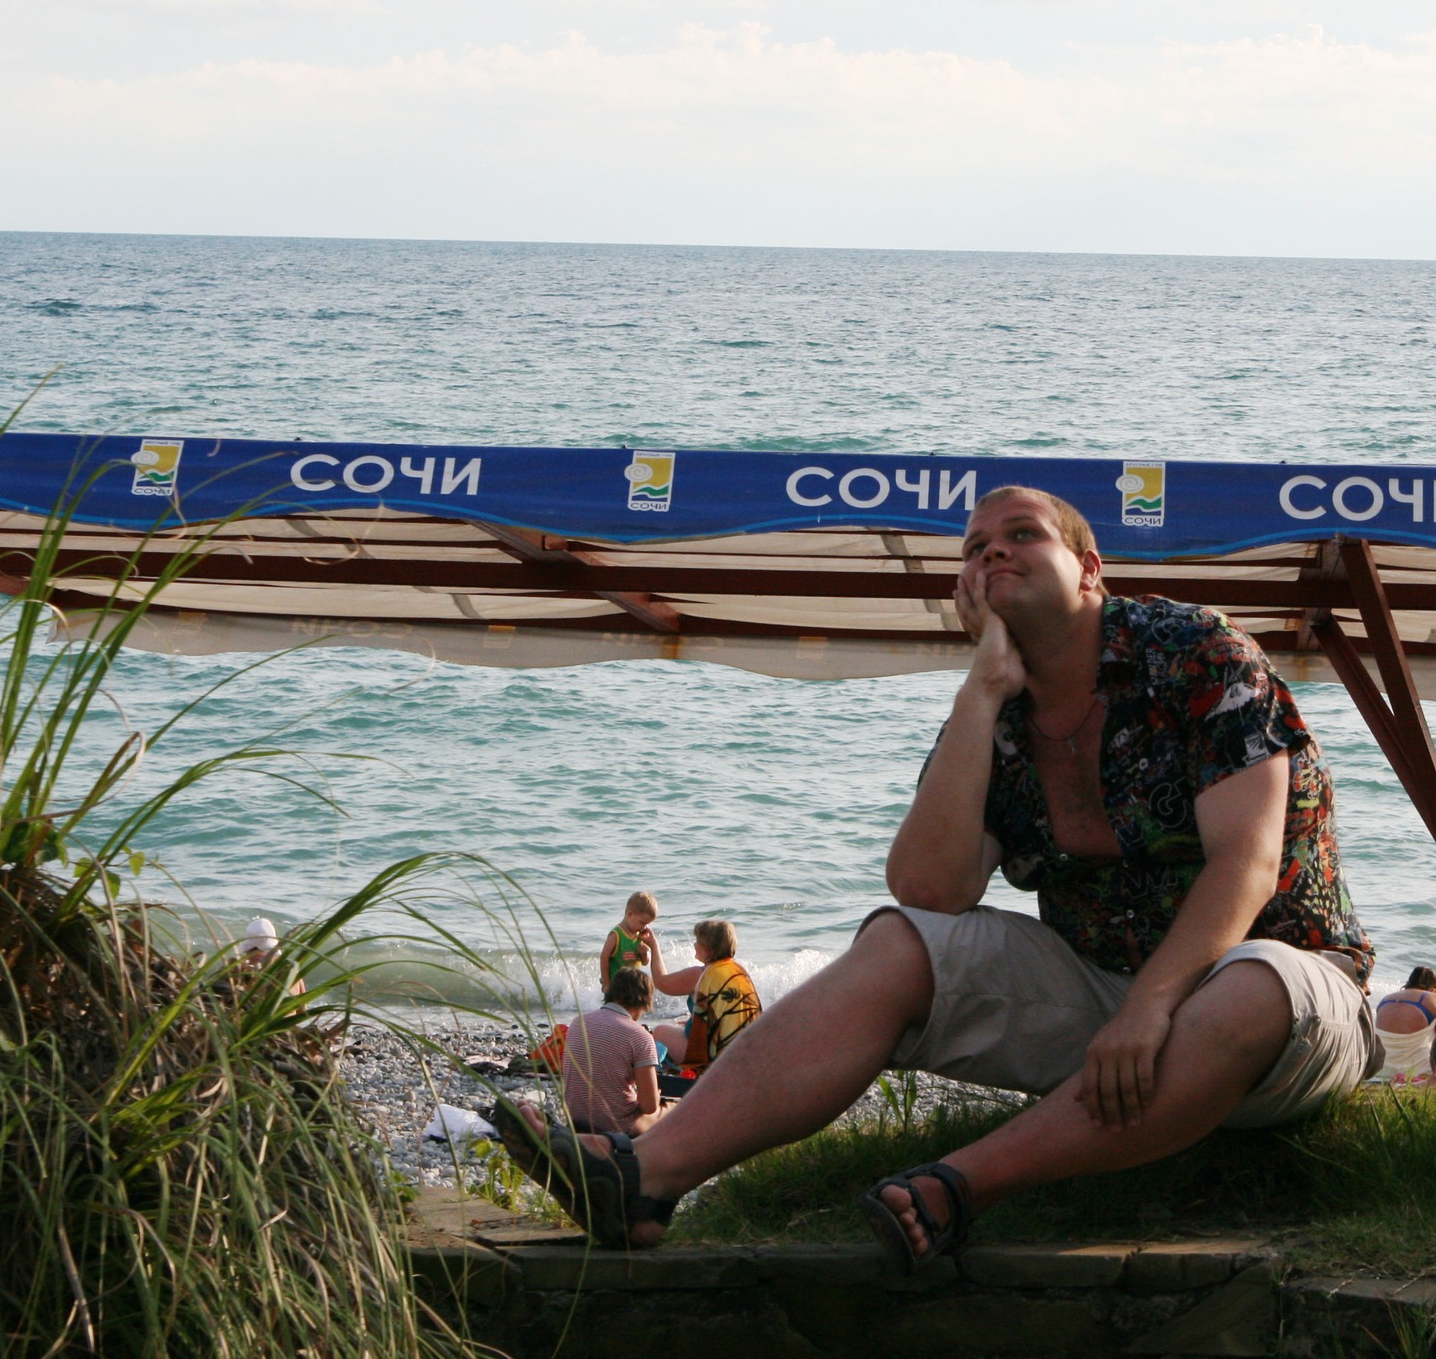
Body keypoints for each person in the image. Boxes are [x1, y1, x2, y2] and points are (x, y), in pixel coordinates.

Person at [492, 484, 1379, 1266]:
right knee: (900, 941)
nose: (993, 551)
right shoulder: (997, 711)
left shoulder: (1197, 652)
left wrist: (1152, 1008)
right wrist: (980, 692)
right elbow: (929, 888)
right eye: (975, 546)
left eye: (1023, 534)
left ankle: (960, 1184)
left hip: (1284, 999)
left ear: (1090, 570)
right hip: (1106, 996)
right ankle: (646, 1177)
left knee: (1249, 986)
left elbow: (1248, 864)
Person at [562, 968, 672, 1138]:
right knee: (670, 1109)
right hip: (617, 1128)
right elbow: (649, 1106)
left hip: (576, 1120)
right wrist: (655, 1096)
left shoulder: (578, 1023)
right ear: (644, 1000)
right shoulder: (640, 1036)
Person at [645, 918, 761, 1077]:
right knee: (681, 1025)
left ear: (709, 949)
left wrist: (653, 946)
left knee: (659, 1032)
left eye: (698, 942)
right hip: (743, 1049)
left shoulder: (701, 974)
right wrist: (694, 1021)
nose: (694, 945)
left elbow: (661, 982)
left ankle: (668, 1076)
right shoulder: (738, 972)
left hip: (714, 1057)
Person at [1370, 965, 1436, 1083]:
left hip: (1379, 1066)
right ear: (1433, 989)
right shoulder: (1433, 998)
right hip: (1415, 1067)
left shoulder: (1386, 999)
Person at [603, 892, 660, 991]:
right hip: (616, 986)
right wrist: (606, 984)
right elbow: (604, 957)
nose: (644, 927)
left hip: (633, 985)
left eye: (647, 924)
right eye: (642, 922)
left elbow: (645, 962)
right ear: (630, 914)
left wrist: (644, 953)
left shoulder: (639, 936)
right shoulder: (616, 935)